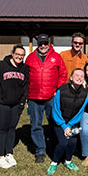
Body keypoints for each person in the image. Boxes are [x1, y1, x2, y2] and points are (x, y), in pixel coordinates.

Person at [25, 34, 67, 163]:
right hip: (34, 96)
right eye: (41, 43)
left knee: (54, 123)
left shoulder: (56, 57)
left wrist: (57, 90)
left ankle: (55, 146)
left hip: (51, 96)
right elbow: (26, 76)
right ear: (38, 44)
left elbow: (63, 74)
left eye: (45, 43)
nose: (43, 46)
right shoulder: (30, 58)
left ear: (49, 44)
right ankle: (40, 150)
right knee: (36, 125)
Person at [0, 45, 29, 169]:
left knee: (12, 128)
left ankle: (8, 153)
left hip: (16, 104)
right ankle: (0, 156)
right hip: (0, 103)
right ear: (12, 54)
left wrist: (22, 103)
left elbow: (25, 88)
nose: (19, 57)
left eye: (22, 55)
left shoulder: (24, 69)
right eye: (17, 54)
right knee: (2, 129)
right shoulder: (0, 66)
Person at [47, 69, 88, 175]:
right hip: (59, 121)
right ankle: (54, 162)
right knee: (63, 143)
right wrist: (64, 126)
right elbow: (55, 110)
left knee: (73, 142)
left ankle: (68, 161)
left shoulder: (85, 94)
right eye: (77, 75)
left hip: (72, 122)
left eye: (81, 76)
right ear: (71, 78)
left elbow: (80, 112)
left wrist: (70, 125)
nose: (79, 78)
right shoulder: (62, 90)